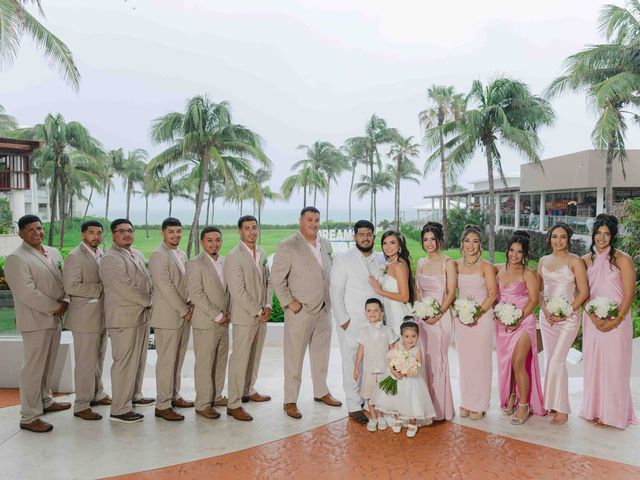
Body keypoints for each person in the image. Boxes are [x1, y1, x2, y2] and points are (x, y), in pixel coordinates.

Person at [271, 206, 341, 419]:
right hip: (300, 311)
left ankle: (321, 392)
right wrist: (289, 302)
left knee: (321, 355)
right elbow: (276, 279)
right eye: (309, 219)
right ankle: (290, 400)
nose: (314, 223)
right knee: (294, 357)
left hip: (324, 309)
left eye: (317, 219)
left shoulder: (326, 244)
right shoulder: (288, 246)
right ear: (301, 221)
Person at [4, 215, 70, 433]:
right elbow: (27, 293)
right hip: (35, 320)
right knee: (33, 368)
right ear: (21, 233)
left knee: (48, 363)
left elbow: (61, 281)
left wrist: (65, 301)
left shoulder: (53, 252)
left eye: (39, 228)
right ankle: (29, 416)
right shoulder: (17, 258)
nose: (37, 233)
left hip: (54, 318)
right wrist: (56, 306)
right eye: (30, 229)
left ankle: (45, 400)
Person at [579, 214, 639, 429]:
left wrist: (616, 320)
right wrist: (594, 317)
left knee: (615, 366)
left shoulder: (623, 259)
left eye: (606, 234)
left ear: (613, 237)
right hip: (593, 320)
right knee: (594, 364)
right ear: (593, 234)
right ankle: (595, 410)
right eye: (598, 233)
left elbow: (629, 295)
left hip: (618, 320)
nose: (602, 238)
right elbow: (582, 293)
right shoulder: (585, 260)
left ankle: (612, 414)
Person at [330, 219, 386, 425]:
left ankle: (368, 400)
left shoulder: (382, 259)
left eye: (369, 234)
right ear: (354, 237)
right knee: (352, 362)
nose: (365, 237)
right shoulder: (343, 259)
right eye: (361, 234)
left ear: (374, 236)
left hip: (377, 323)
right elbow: (335, 291)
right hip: (352, 321)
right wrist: (344, 321)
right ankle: (354, 405)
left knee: (373, 363)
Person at [99, 219, 154, 423]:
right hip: (124, 318)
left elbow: (146, 280)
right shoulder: (110, 258)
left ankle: (134, 396)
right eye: (122, 231)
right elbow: (124, 287)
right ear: (113, 235)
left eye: (130, 231)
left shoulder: (136, 253)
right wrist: (151, 301)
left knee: (138, 360)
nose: (127, 234)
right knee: (124, 362)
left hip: (140, 316)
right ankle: (120, 409)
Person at [538, 222, 589, 425]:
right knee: (549, 360)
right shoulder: (543, 260)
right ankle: (550, 403)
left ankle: (563, 409)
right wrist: (544, 309)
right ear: (549, 238)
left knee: (558, 360)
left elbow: (584, 292)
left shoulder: (575, 261)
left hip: (568, 318)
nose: (558, 241)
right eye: (554, 236)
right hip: (547, 318)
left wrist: (565, 312)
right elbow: (539, 291)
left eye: (562, 237)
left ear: (568, 239)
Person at [224, 216, 273, 422]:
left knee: (255, 355)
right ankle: (233, 403)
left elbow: (268, 282)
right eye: (247, 228)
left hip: (262, 315)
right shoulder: (234, 256)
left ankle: (248, 389)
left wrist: (268, 305)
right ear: (239, 231)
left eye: (254, 228)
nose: (252, 232)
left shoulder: (261, 252)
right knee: (240, 358)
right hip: (245, 316)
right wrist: (257, 310)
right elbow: (237, 290)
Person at [495, 230, 545, 425]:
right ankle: (512, 396)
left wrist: (517, 318)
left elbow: (533, 301)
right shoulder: (499, 271)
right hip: (503, 323)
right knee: (508, 364)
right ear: (507, 250)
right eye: (512, 250)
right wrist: (501, 315)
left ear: (525, 254)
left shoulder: (529, 273)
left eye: (519, 252)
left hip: (524, 322)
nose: (514, 255)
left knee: (518, 362)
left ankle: (523, 404)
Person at [62, 220, 111, 421]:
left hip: (101, 315)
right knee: (85, 362)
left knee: (98, 359)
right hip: (84, 318)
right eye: (92, 233)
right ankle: (81, 404)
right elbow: (71, 286)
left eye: (99, 233)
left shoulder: (101, 254)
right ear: (83, 235)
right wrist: (100, 289)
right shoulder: (75, 257)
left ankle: (97, 394)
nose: (96, 237)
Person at [149, 217, 194, 422]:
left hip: (183, 315)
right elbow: (164, 287)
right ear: (162, 233)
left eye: (178, 231)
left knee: (177, 359)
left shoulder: (181, 254)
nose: (175, 235)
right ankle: (162, 404)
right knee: (167, 361)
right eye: (171, 232)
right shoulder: (159, 255)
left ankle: (174, 395)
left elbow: (185, 283)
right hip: (168, 316)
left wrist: (190, 303)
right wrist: (184, 309)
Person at [186, 226, 231, 420]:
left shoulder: (225, 261)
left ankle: (217, 396)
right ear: (202, 242)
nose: (214, 244)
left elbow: (227, 291)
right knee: (204, 364)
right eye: (210, 240)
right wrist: (217, 315)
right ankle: (203, 403)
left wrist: (227, 314)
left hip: (224, 322)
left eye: (217, 240)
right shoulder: (194, 264)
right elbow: (196, 294)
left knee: (220, 361)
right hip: (206, 322)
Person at [454, 224, 497, 420]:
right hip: (461, 320)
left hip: (482, 318)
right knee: (465, 361)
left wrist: (476, 313)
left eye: (475, 241)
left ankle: (479, 404)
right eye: (467, 241)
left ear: (480, 245)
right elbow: (450, 291)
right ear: (462, 243)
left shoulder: (486, 266)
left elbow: (492, 294)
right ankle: (466, 401)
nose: (471, 245)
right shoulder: (455, 265)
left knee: (481, 361)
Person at [414, 221, 456, 422]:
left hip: (441, 318)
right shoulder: (421, 262)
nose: (429, 243)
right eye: (425, 240)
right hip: (422, 319)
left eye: (432, 239)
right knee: (425, 361)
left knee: (438, 361)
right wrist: (421, 313)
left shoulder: (448, 263)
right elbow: (418, 292)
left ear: (439, 240)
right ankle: (426, 408)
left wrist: (438, 314)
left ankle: (440, 410)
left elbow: (451, 293)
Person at [374, 319, 436, 437]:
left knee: (412, 401)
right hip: (398, 379)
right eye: (407, 336)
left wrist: (409, 370)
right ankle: (398, 419)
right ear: (401, 336)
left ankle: (412, 422)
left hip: (412, 381)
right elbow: (391, 362)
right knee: (396, 399)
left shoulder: (417, 350)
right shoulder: (397, 346)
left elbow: (418, 365)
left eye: (413, 336)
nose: (410, 339)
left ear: (418, 336)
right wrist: (394, 371)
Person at [368, 231, 415, 343]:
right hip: (389, 313)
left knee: (400, 351)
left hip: (397, 314)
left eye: (392, 243)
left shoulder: (399, 265)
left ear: (399, 245)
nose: (388, 247)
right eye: (385, 243)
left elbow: (404, 297)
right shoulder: (389, 263)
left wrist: (379, 290)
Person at [353, 298, 391, 432]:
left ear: (381, 313)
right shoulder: (363, 331)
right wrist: (356, 368)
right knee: (369, 395)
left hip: (383, 369)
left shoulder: (387, 330)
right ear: (365, 313)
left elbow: (393, 349)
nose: (372, 313)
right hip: (369, 370)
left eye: (376, 310)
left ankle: (381, 416)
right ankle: (373, 417)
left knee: (381, 395)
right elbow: (360, 351)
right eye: (369, 310)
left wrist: (393, 366)